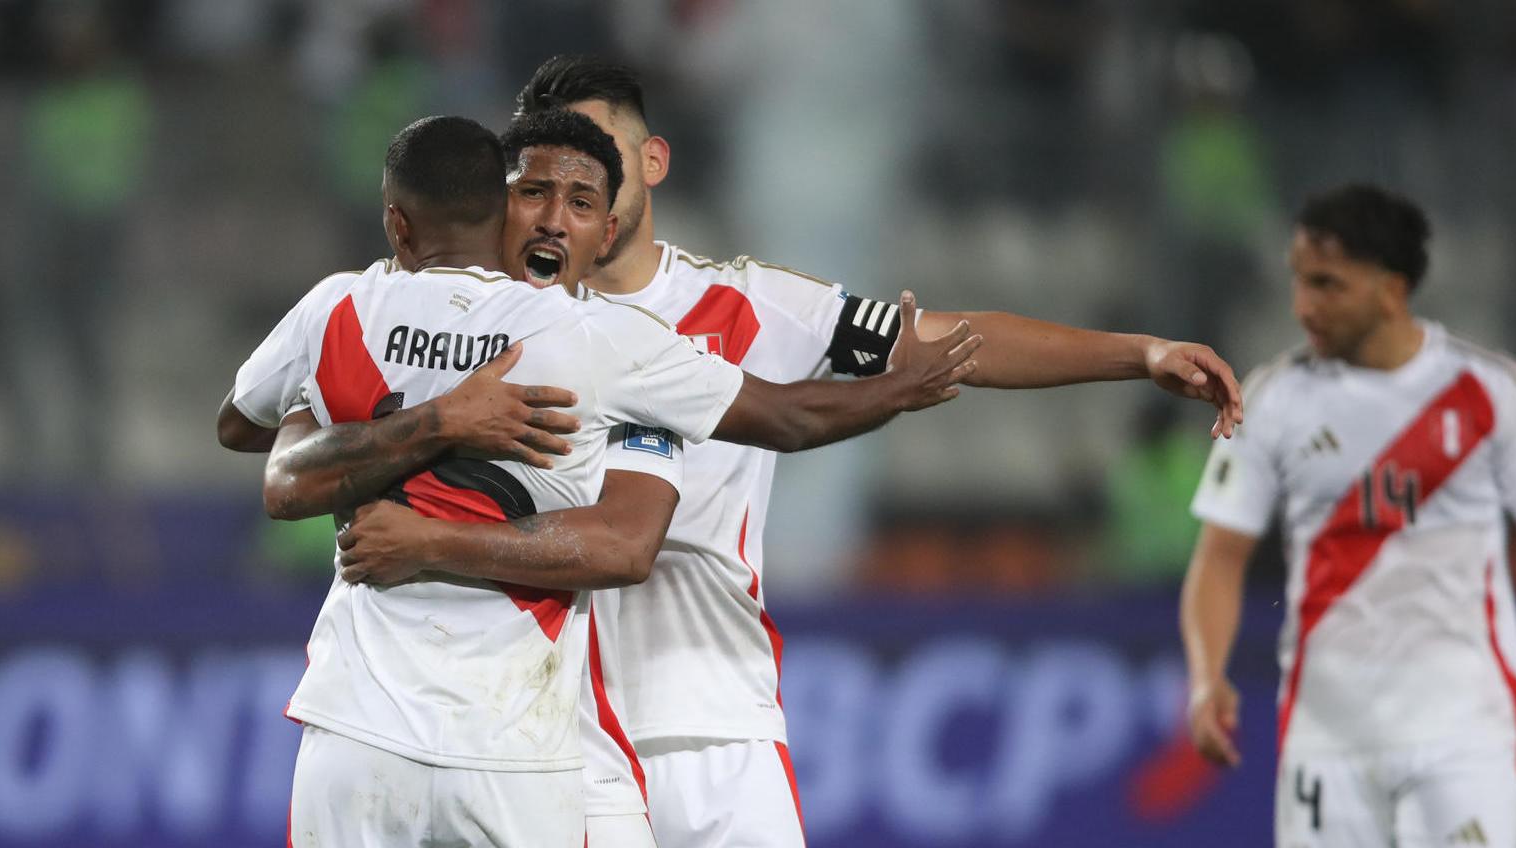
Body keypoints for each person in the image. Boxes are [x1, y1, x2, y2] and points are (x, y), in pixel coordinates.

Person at [485, 55, 1241, 848]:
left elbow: (954, 343)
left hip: (716, 726)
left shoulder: (749, 306)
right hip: (549, 736)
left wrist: (1140, 353)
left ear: (652, 161)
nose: (578, 178)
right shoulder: (486, 321)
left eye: (598, 149)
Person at [241, 114, 978, 848]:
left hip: (364, 729)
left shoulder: (344, 308)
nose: (555, 220)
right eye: (535, 194)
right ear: (503, 207)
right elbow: (783, 418)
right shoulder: (612, 350)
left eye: (582, 203)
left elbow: (250, 435)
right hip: (510, 750)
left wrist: (428, 529)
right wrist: (896, 389)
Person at [1180, 184, 1516, 846]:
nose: (1303, 306)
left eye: (1327, 284)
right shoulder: (1273, 397)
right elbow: (1219, 557)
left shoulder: (1491, 392)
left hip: (1465, 736)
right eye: (1298, 281)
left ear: (1390, 287)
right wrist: (1207, 679)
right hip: (1325, 741)